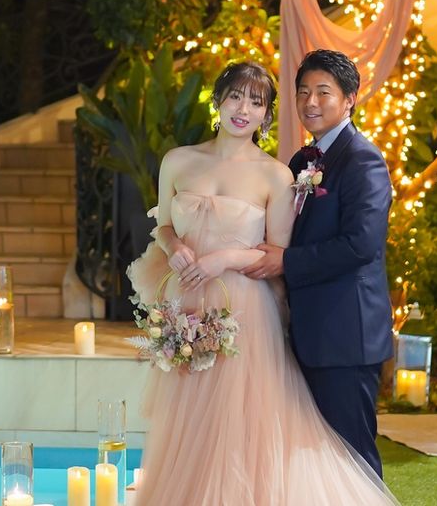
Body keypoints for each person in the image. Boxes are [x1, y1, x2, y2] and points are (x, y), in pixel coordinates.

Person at [127, 60, 398, 506]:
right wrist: (173, 245)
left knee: (268, 435)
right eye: (235, 97)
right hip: (188, 308)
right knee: (192, 428)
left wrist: (228, 258)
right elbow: (164, 224)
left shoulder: (295, 171)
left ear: (266, 115)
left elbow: (303, 251)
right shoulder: (188, 160)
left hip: (259, 315)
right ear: (218, 101)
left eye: (255, 102)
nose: (243, 109)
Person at [244, 49, 394, 477]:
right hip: (307, 331)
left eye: (323, 92)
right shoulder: (300, 161)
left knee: (353, 456)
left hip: (345, 335)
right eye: (303, 92)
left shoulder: (363, 160)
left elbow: (360, 245)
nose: (311, 102)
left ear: (349, 99)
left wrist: (286, 262)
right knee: (315, 463)